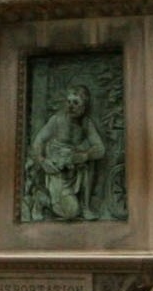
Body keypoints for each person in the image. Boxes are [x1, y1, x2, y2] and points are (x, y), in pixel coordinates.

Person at [28, 85, 106, 221]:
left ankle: (86, 206)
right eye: (69, 102)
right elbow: (38, 141)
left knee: (89, 163)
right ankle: (41, 199)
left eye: (76, 103)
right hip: (57, 170)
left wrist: (84, 155)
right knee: (71, 213)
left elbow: (100, 149)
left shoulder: (86, 123)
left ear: (84, 107)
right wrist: (42, 160)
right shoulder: (57, 120)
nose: (71, 106)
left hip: (74, 171)